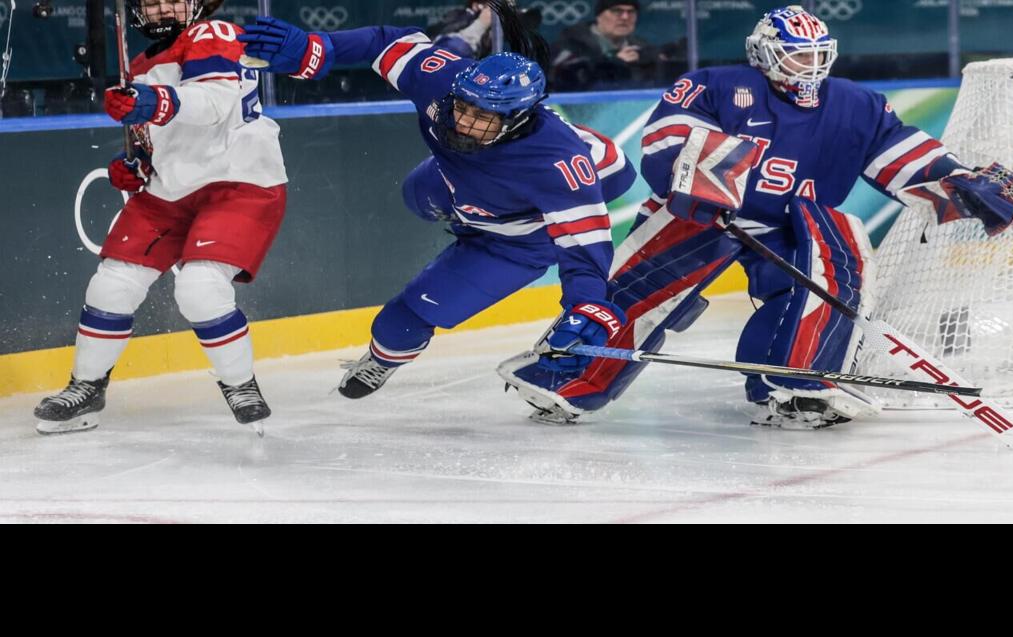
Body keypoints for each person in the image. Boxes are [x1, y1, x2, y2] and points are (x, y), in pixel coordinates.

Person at [497, 5, 1013, 430]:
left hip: (791, 221)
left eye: (819, 55)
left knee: (839, 257)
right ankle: (565, 374)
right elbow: (666, 137)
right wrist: (696, 182)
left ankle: (797, 383)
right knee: (639, 288)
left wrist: (958, 181)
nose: (810, 68)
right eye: (797, 57)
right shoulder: (717, 84)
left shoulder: (856, 104)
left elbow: (902, 153)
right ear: (765, 56)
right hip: (706, 211)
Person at [237, 2, 635, 400]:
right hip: (451, 181)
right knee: (415, 195)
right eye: (462, 106)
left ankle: (382, 360)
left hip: (516, 241)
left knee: (399, 323)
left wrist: (586, 308)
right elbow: (387, 43)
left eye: (482, 117)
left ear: (517, 118)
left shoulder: (559, 165)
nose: (462, 122)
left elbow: (584, 248)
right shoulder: (444, 81)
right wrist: (317, 46)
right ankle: (461, 202)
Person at [33, 0, 286, 435]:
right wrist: (133, 164)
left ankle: (240, 384)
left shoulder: (213, 34)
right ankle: (87, 387)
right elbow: (155, 138)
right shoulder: (139, 66)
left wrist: (149, 101)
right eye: (152, 1)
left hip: (239, 182)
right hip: (169, 191)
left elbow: (211, 104)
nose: (162, 8)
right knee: (111, 285)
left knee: (200, 288)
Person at [550, 0, 673, 91]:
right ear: (599, 16)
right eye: (617, 11)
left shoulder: (642, 48)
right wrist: (613, 62)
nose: (625, 17)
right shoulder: (570, 45)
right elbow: (564, 81)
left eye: (631, 12)